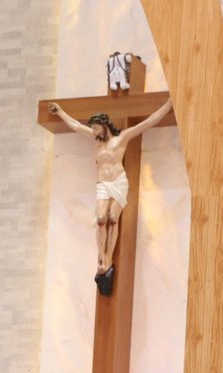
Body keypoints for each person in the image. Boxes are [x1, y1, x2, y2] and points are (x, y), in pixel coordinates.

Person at [46, 96, 173, 293]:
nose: (95, 132)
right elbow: (76, 126)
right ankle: (102, 257)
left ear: (105, 126)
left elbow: (149, 121)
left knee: (113, 219)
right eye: (94, 129)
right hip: (103, 184)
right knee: (100, 220)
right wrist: (61, 112)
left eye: (97, 128)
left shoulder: (122, 138)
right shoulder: (96, 140)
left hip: (118, 182)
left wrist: (169, 104)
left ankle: (108, 258)